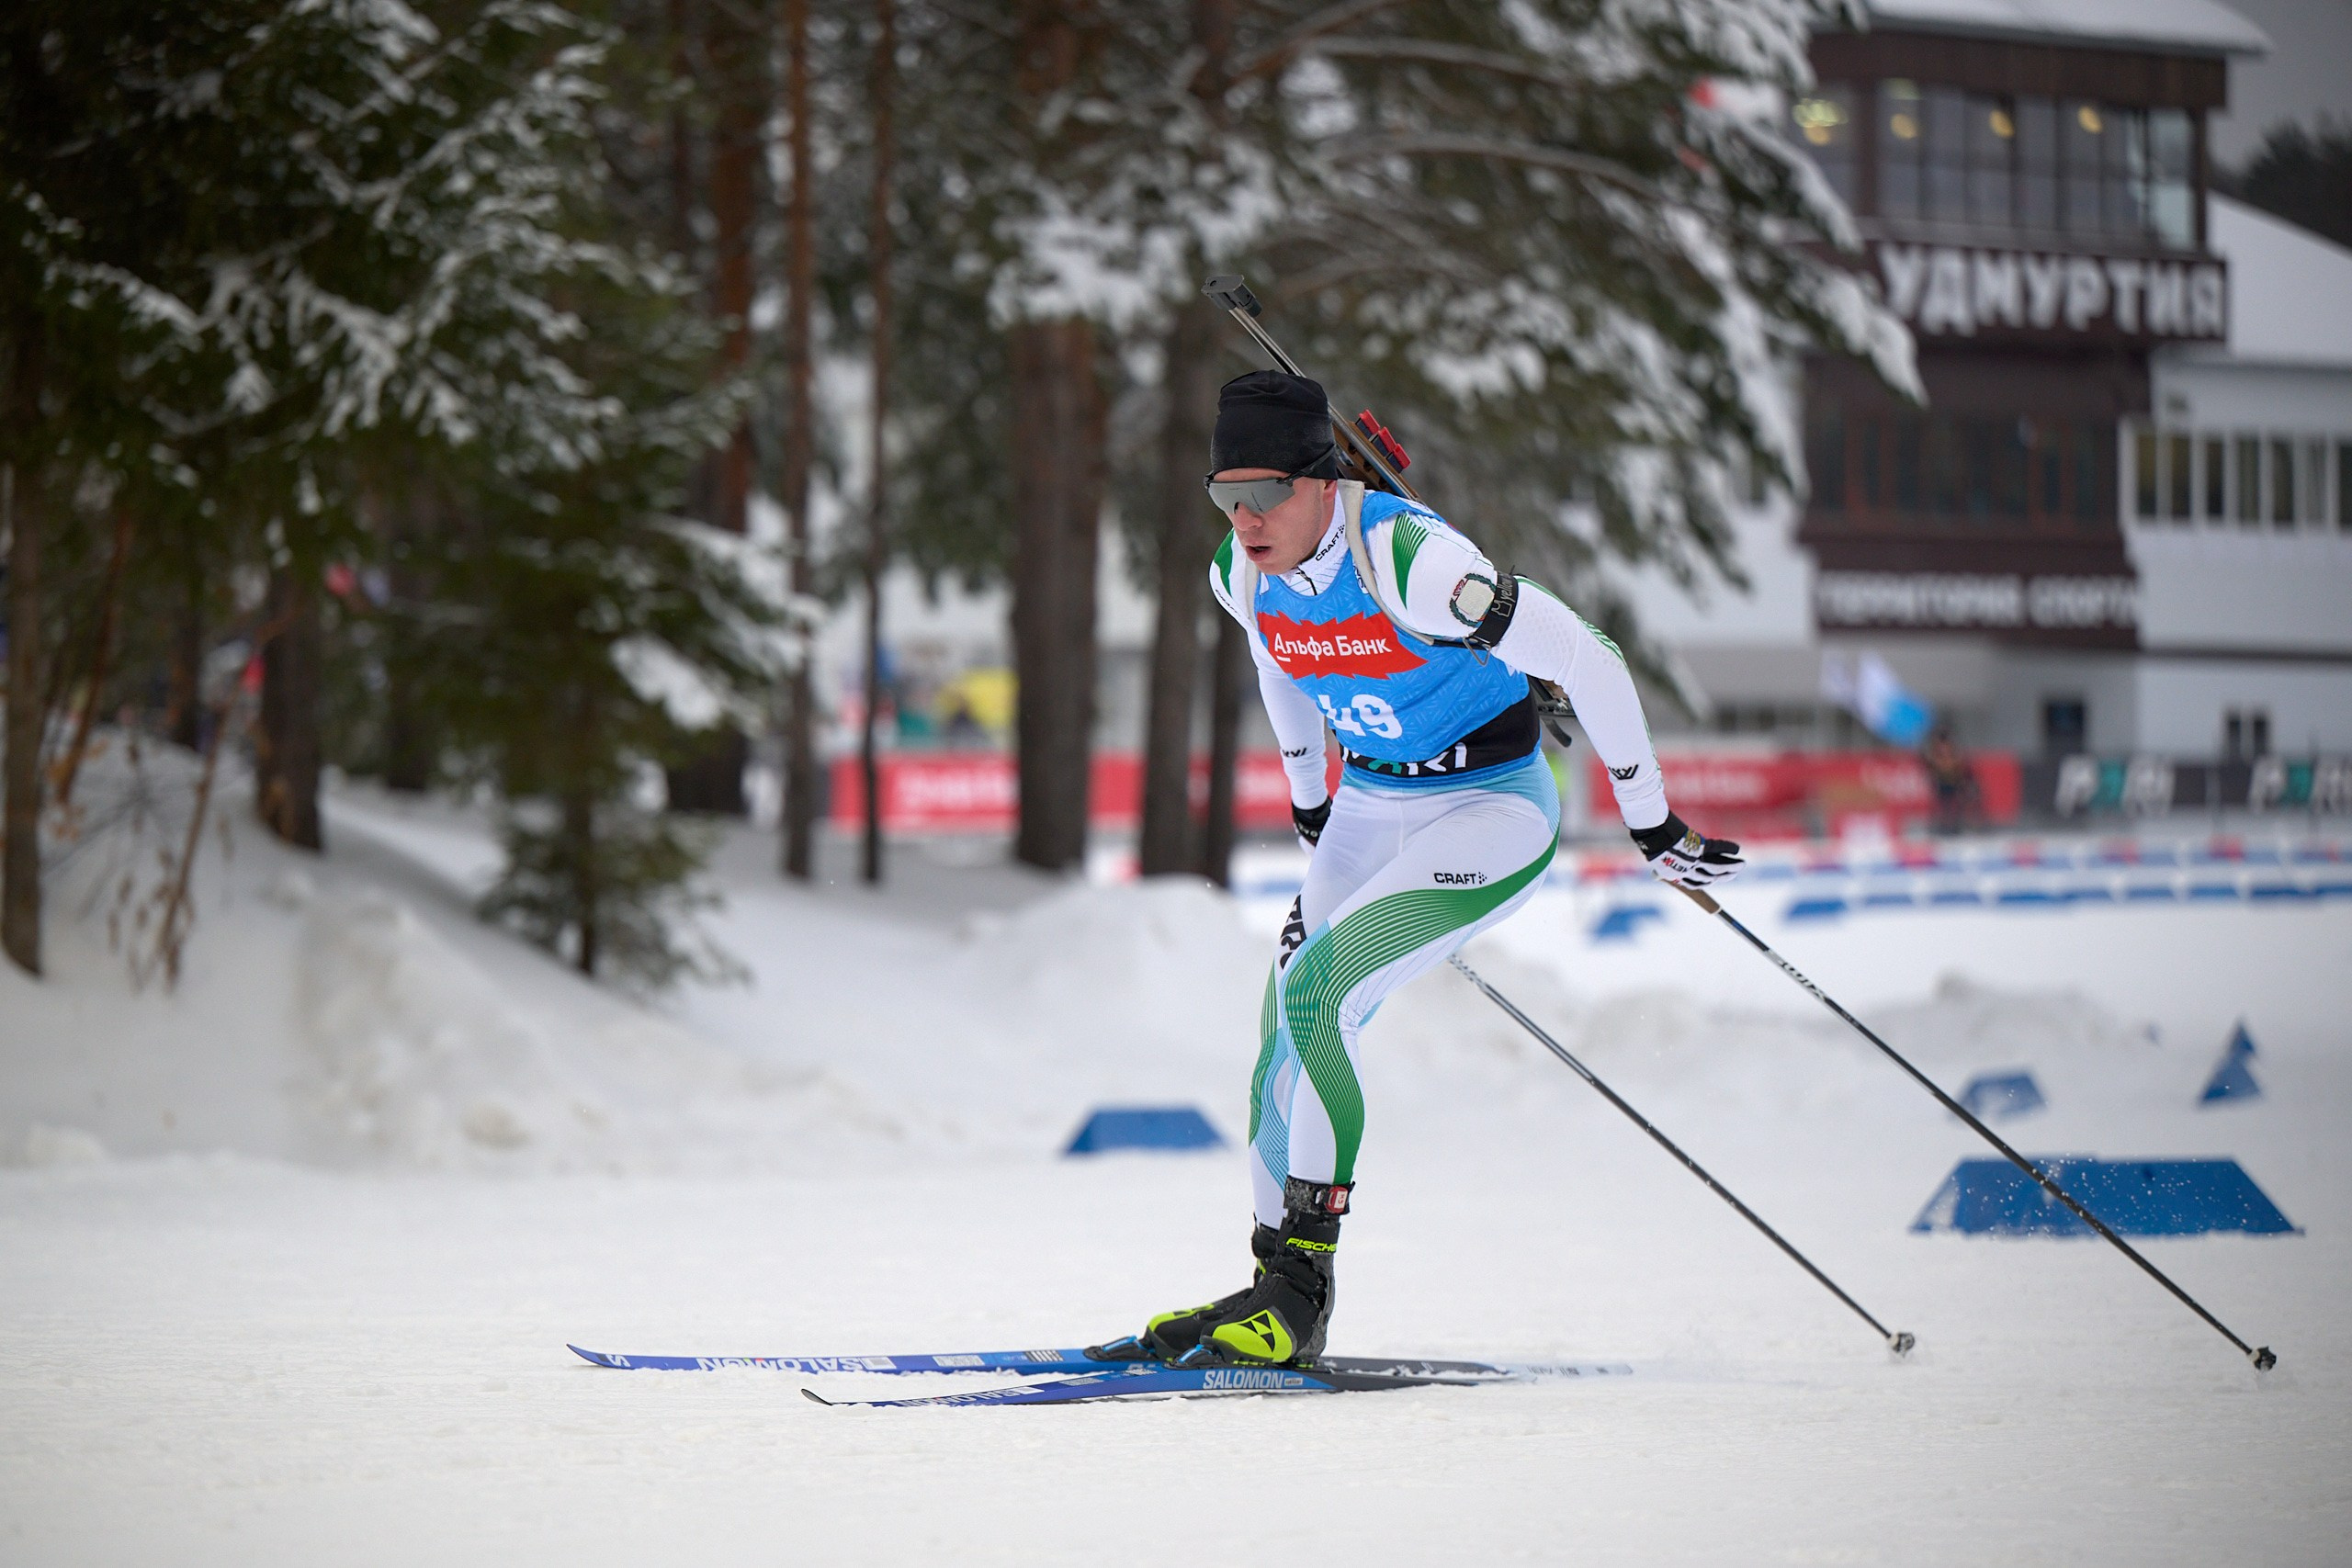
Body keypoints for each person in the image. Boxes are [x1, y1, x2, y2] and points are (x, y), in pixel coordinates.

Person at [1090, 369, 1744, 1370]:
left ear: (1321, 484)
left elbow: (1593, 655)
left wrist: (1651, 827)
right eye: (1228, 497)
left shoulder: (1414, 561)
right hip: (1370, 805)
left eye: (1265, 494)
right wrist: (1311, 799)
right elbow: (1281, 664)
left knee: (1319, 997)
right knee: (1279, 1029)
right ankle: (1267, 1277)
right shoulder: (1241, 572)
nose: (1247, 519)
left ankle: (1301, 1292)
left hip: (1487, 811)